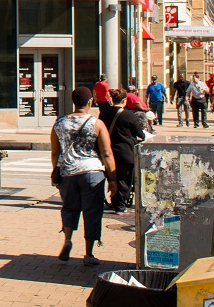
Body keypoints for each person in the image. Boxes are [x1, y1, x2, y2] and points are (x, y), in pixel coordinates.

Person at [49, 86, 115, 265]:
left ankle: (68, 239)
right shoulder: (96, 123)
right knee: (92, 211)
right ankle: (88, 254)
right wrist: (113, 179)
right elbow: (107, 153)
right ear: (90, 102)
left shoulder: (59, 123)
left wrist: (56, 169)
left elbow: (55, 152)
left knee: (69, 208)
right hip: (92, 172)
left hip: (67, 172)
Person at [108, 92, 148, 214]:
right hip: (124, 151)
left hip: (108, 150)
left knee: (112, 177)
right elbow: (140, 133)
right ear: (124, 100)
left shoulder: (104, 112)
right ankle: (120, 206)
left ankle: (114, 201)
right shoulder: (128, 115)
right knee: (124, 180)